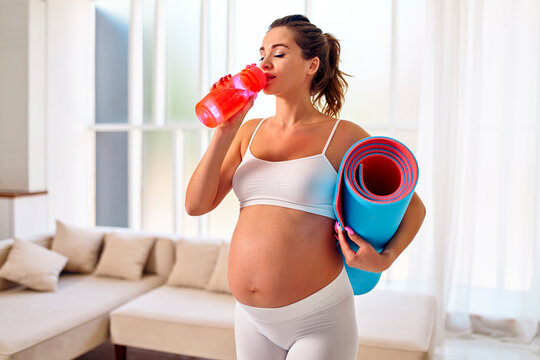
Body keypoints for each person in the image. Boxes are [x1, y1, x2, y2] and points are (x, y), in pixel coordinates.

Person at [185, 14, 426, 360]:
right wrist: (224, 131)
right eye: (262, 54)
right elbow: (196, 205)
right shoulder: (246, 131)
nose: (265, 63)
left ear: (311, 64)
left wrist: (385, 259)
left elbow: (413, 205)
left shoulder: (342, 135)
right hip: (251, 318)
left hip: (319, 318)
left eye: (279, 54)